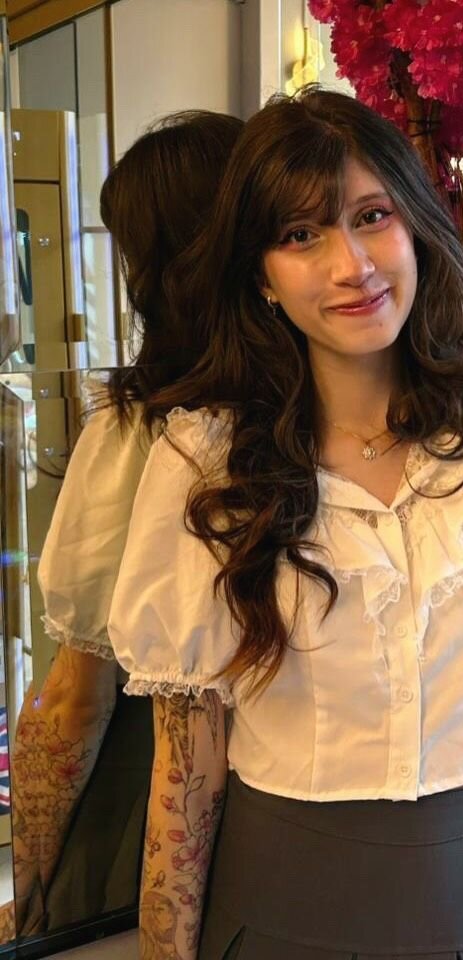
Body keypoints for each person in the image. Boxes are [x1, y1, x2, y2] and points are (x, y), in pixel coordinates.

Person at [107, 86, 463, 960]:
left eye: (372, 216)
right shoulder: (207, 467)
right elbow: (186, 778)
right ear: (261, 276)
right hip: (274, 922)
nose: (351, 265)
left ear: (416, 226)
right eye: (301, 235)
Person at [2, 109, 243, 941]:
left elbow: (76, 695)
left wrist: (32, 886)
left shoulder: (144, 430)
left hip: (151, 800)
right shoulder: (332, 412)